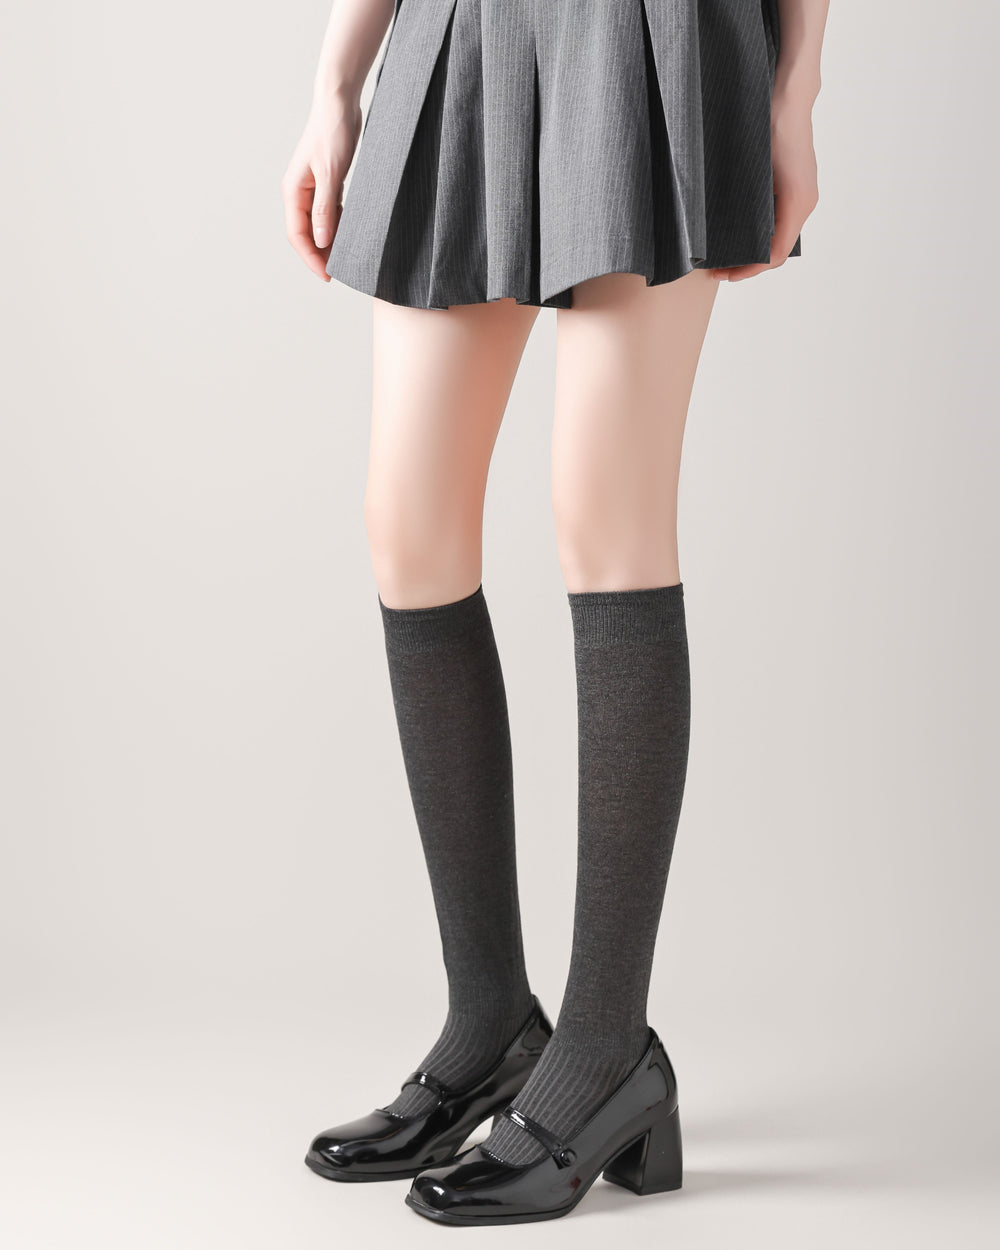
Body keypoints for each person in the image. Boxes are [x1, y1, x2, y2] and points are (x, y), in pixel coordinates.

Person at [282, 0, 828, 1226]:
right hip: (462, 27)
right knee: (407, 527)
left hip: (654, 31)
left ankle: (602, 1047)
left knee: (605, 515)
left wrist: (794, 92)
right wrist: (336, 81)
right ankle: (491, 1022)